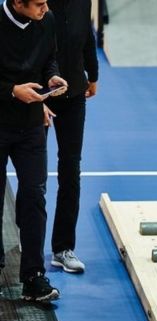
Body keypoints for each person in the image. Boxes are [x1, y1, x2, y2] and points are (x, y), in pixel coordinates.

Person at [0, 0, 68, 302]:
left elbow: (49, 58)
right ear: (17, 2)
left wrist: (52, 78)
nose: (45, 8)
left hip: (31, 126)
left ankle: (33, 276)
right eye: (38, 4)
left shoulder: (47, 19)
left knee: (34, 196)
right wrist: (12, 91)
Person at [45, 0, 98, 274]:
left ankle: (63, 248)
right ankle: (27, 241)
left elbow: (87, 36)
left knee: (70, 169)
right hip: (39, 94)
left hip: (74, 93)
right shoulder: (37, 4)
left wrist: (93, 74)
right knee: (33, 175)